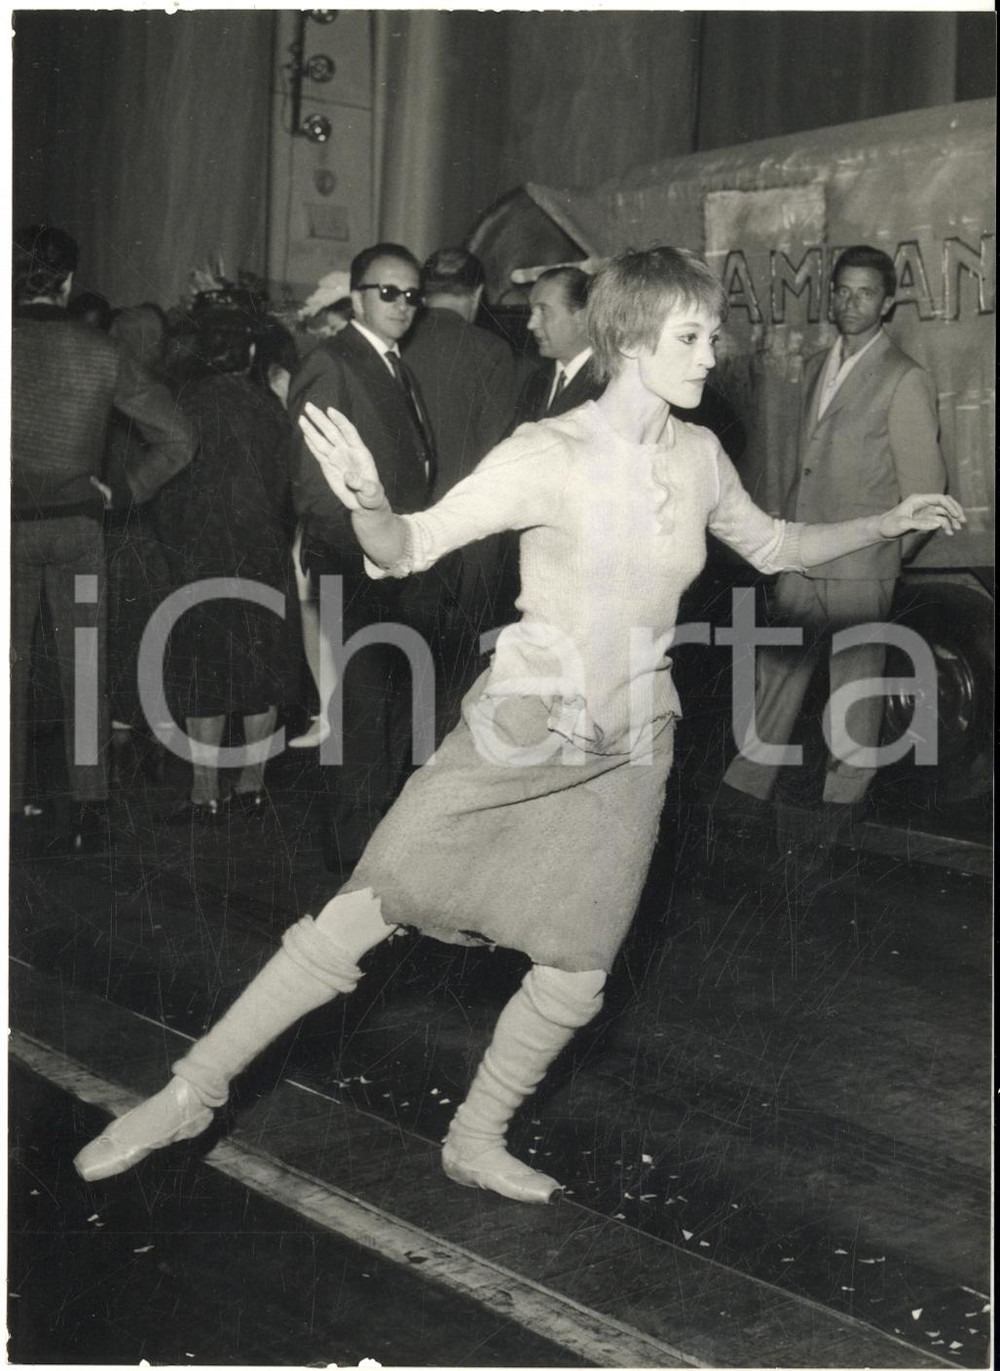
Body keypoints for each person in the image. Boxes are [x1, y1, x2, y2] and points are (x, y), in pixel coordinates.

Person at [74, 246, 963, 1201]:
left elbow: (778, 542)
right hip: (521, 727)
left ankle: (476, 1135)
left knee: (577, 974)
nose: (715, 353)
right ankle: (190, 1092)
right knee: (358, 916)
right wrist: (372, 506)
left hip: (629, 748)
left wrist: (886, 519)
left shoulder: (700, 458)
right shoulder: (550, 453)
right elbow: (412, 545)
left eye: (712, 334)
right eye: (693, 336)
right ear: (629, 340)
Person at [719, 245, 946, 823]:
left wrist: (885, 558)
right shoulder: (819, 364)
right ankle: (746, 786)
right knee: (778, 668)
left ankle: (841, 804)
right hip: (804, 549)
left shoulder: (904, 378)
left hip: (862, 561)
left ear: (888, 301)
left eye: (864, 292)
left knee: (856, 684)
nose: (850, 302)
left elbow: (926, 489)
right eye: (842, 290)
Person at [10, 225, 196, 851]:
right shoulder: (99, 351)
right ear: (66, 282)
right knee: (83, 665)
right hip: (80, 528)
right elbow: (178, 437)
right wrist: (124, 490)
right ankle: (90, 807)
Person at [286, 241, 437, 866]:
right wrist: (372, 556)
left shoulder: (396, 364)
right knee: (361, 724)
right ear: (357, 298)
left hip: (396, 571)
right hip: (359, 570)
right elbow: (309, 490)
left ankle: (374, 862)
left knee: (383, 721)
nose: (402, 305)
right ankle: (353, 873)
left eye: (411, 294)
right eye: (388, 292)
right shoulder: (334, 362)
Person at [154, 290, 292, 821]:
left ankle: (203, 791)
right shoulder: (267, 408)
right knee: (262, 668)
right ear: (251, 354)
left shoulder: (181, 405)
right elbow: (287, 483)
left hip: (197, 554)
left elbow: (165, 487)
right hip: (260, 550)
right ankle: (252, 785)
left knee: (203, 669)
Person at [403, 247, 521, 713]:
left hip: (399, 530)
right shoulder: (492, 352)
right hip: (468, 541)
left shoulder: (398, 345)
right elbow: (498, 449)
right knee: (451, 682)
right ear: (476, 295)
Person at [512, 265, 604, 425]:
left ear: (582, 317)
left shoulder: (609, 383)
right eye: (532, 311)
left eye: (543, 310)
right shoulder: (535, 380)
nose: (531, 324)